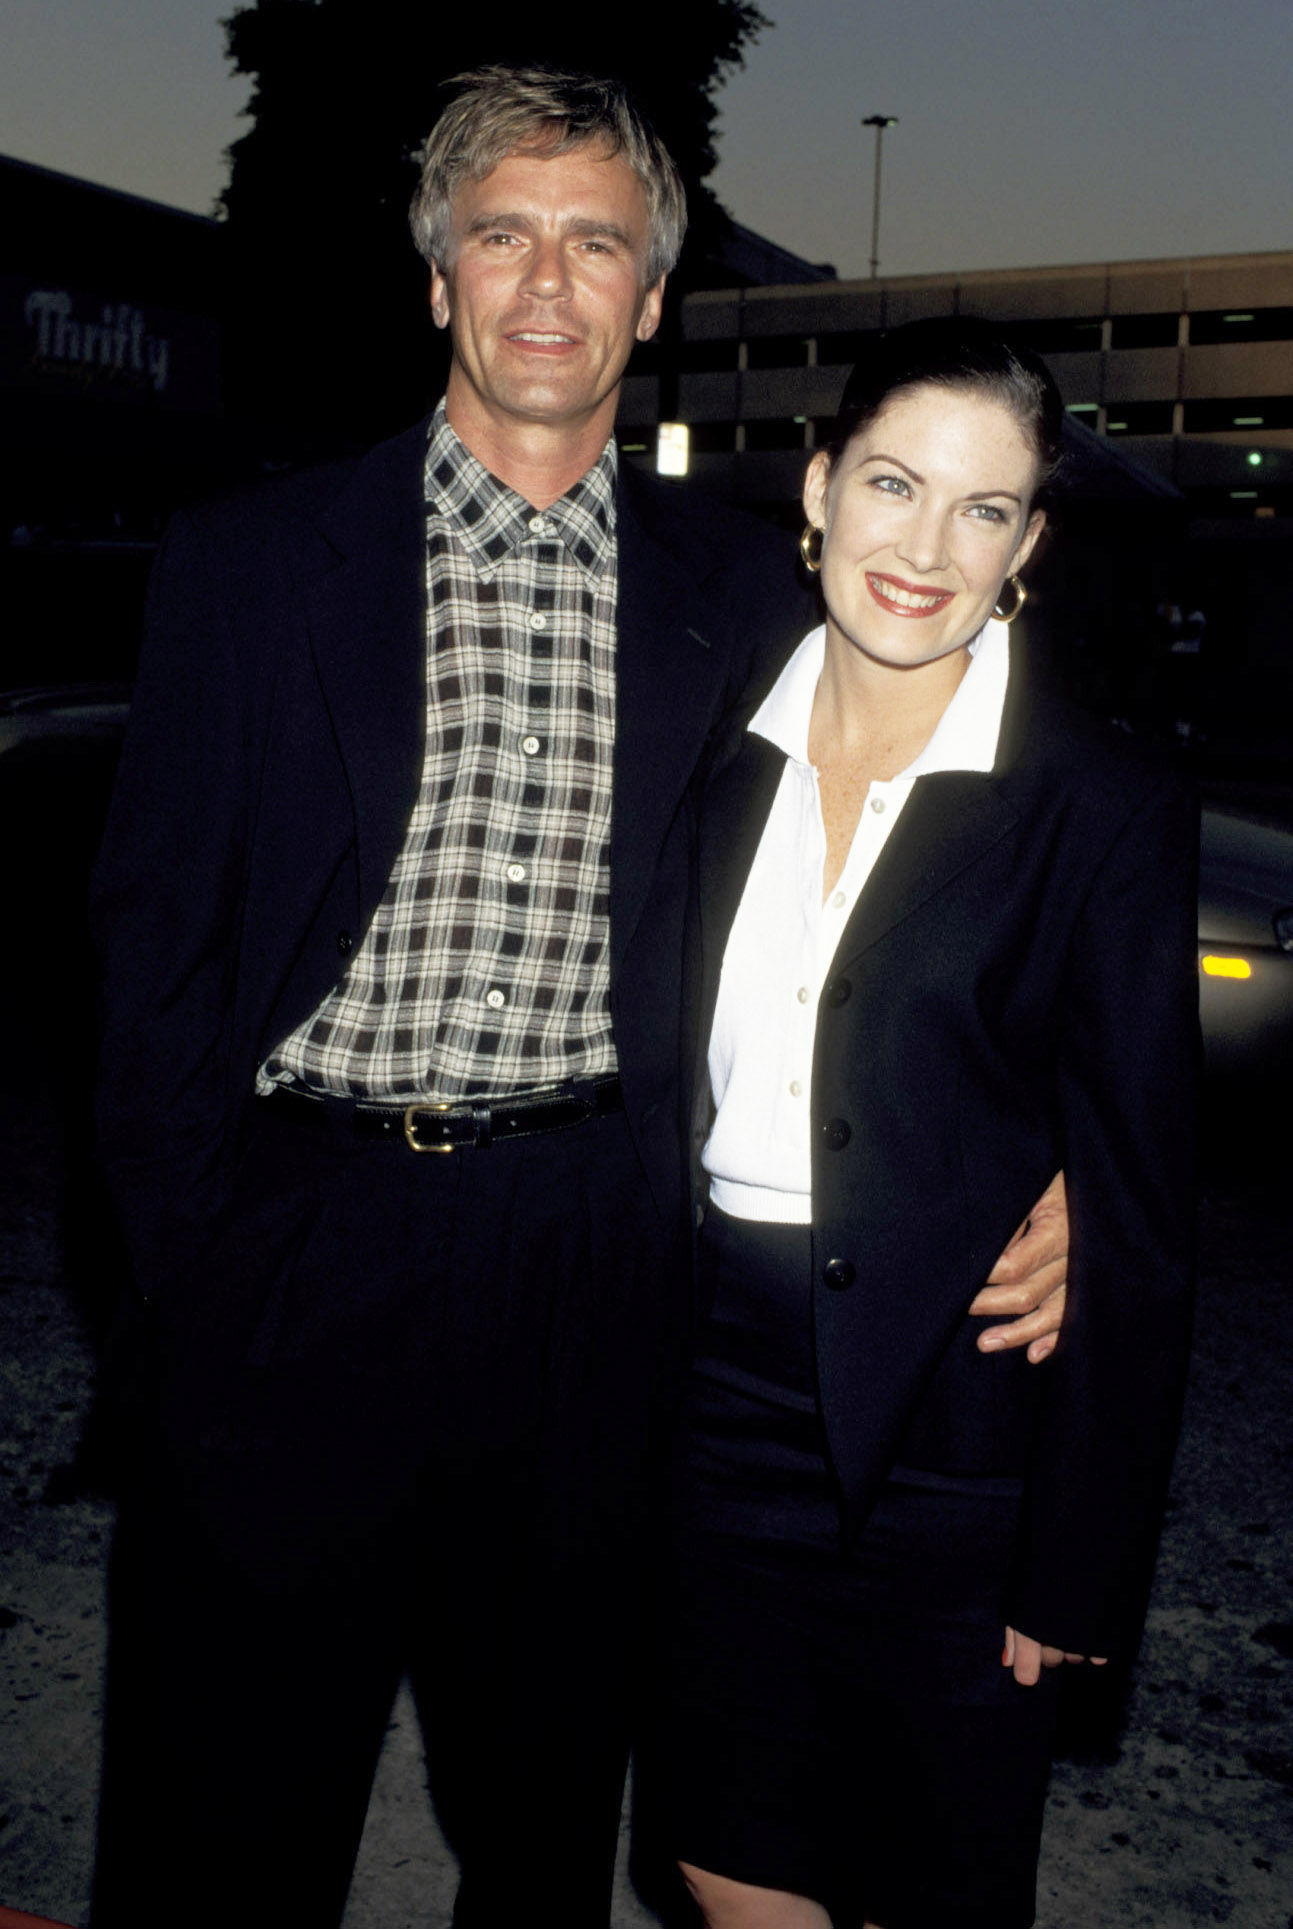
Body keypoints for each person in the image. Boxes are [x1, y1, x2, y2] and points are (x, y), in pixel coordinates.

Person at [89, 72, 1067, 1929]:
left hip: (598, 1266)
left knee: (542, 1823)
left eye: (595, 239)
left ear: (647, 294)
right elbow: (148, 959)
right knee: (224, 1810)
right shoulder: (247, 562)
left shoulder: (751, 593)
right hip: (296, 1245)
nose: (548, 279)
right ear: (440, 277)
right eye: (502, 232)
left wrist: (1068, 1162)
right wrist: (185, 1276)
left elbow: (982, 855)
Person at [660, 318, 1198, 1929]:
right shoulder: (702, 742)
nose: (923, 545)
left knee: (926, 1887)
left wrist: (1076, 1562)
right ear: (817, 487)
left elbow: (1142, 1211)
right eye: (892, 483)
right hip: (704, 1403)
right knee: (719, 1853)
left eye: (982, 508)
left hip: (960, 1437)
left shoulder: (1096, 803)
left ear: (1027, 546)